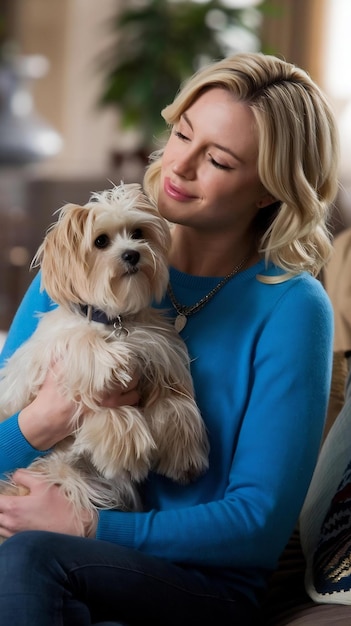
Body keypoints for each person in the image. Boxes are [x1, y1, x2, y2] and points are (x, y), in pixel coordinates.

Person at [0, 52, 339, 626]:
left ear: (268, 190)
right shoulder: (83, 264)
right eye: (182, 133)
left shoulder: (292, 308)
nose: (179, 166)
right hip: (58, 561)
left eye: (219, 160)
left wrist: (89, 526)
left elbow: (256, 522)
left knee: (30, 558)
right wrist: (45, 420)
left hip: (195, 585)